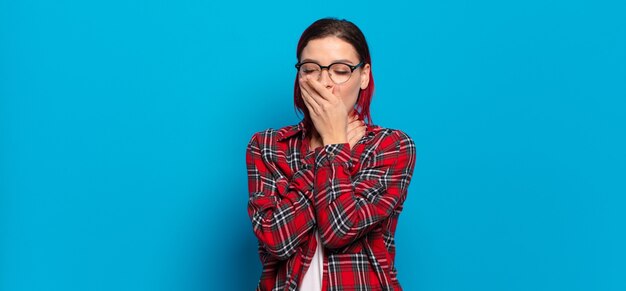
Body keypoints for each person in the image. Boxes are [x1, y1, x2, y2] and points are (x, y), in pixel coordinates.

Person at [246, 17, 417, 291]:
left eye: (340, 70)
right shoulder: (268, 146)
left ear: (364, 76)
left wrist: (333, 144)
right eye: (311, 69)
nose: (323, 83)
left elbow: (340, 229)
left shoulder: (391, 146)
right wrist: (328, 150)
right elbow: (276, 238)